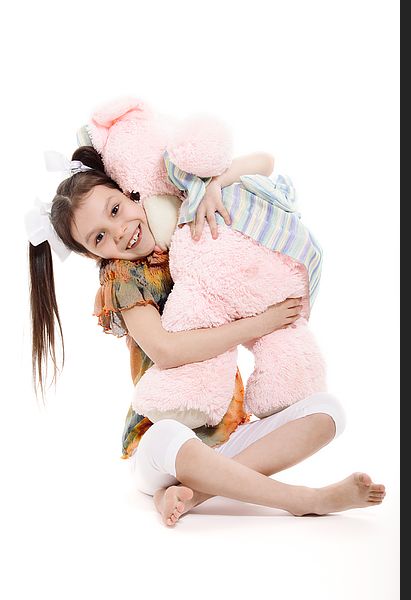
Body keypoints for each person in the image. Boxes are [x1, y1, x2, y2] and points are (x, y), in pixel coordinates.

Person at [27, 146, 386, 527]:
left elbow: (264, 162)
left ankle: (193, 493)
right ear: (90, 254)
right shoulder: (123, 278)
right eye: (99, 237)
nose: (119, 232)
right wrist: (259, 324)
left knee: (328, 411)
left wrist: (213, 185)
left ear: (128, 192)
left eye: (115, 210)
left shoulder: (180, 219)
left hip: (228, 435)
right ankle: (303, 500)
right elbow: (166, 352)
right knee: (170, 436)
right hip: (160, 445)